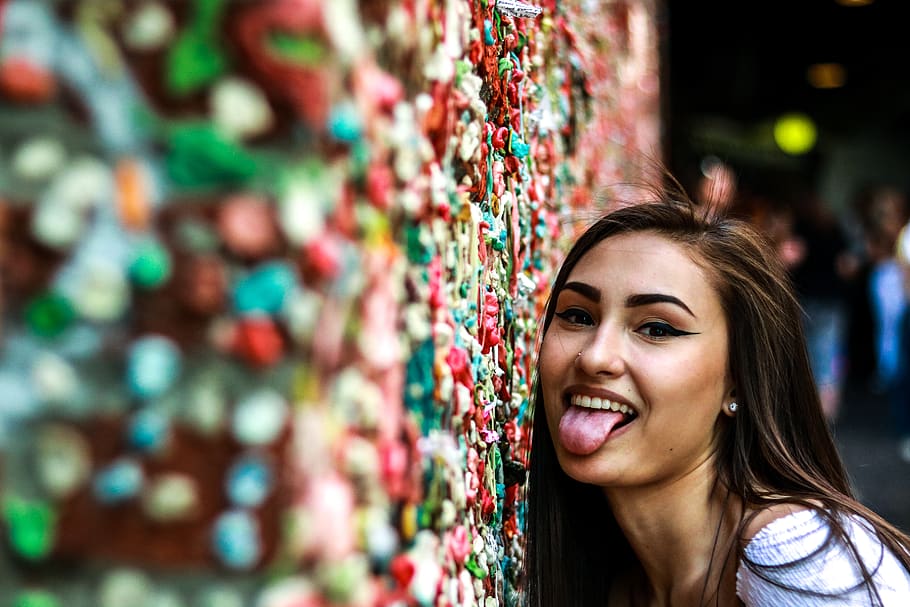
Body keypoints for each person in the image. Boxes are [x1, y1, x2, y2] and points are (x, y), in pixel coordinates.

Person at [524, 180, 910, 606]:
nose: (596, 356)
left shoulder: (800, 564)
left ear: (739, 380)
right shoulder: (608, 581)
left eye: (657, 328)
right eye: (578, 316)